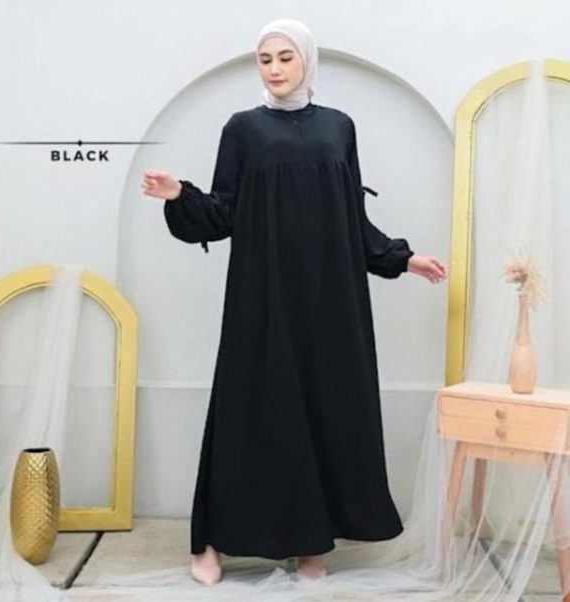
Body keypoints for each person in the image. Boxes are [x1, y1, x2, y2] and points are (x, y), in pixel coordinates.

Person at [142, 17, 447, 587]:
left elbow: (351, 215)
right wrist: (180, 195)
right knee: (249, 410)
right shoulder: (243, 129)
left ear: (307, 59)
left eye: (285, 57)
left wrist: (403, 259)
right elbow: (225, 211)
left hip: (331, 298)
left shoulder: (339, 127)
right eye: (265, 59)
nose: (275, 69)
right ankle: (211, 542)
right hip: (263, 294)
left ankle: (312, 544)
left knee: (324, 409)